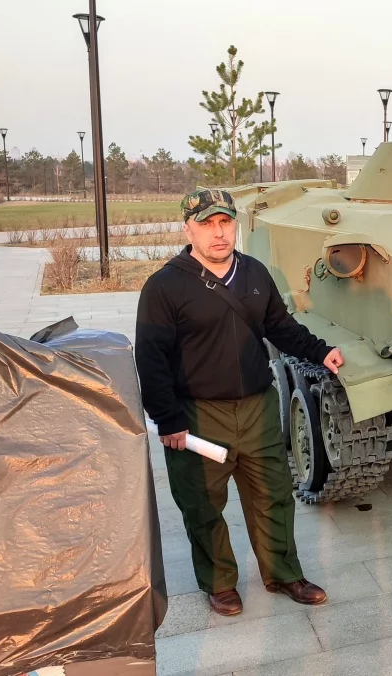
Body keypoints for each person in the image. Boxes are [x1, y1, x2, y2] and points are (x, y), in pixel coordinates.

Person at [135, 188, 344, 617]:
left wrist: (320, 351)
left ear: (235, 225)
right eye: (207, 224)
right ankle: (219, 583)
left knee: (274, 495)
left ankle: (283, 573)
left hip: (257, 408)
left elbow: (280, 327)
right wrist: (167, 418)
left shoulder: (254, 273)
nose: (218, 233)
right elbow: (150, 358)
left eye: (225, 222)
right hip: (198, 415)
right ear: (188, 230)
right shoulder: (164, 287)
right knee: (202, 504)